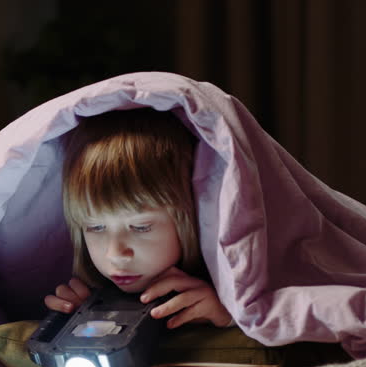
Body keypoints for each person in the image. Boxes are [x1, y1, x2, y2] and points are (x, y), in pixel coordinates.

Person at [44, 108, 233, 329]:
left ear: (191, 215)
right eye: (95, 227)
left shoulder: (224, 294)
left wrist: (227, 317)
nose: (115, 254)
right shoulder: (83, 298)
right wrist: (67, 322)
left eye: (141, 227)